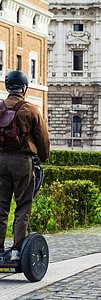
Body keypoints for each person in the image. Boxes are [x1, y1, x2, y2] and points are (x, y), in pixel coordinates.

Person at [0, 70, 50, 260]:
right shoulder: (30, 109)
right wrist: (43, 157)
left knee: (1, 207)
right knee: (23, 206)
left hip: (1, 161)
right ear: (25, 88)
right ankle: (16, 250)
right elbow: (43, 139)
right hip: (22, 162)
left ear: (7, 87)